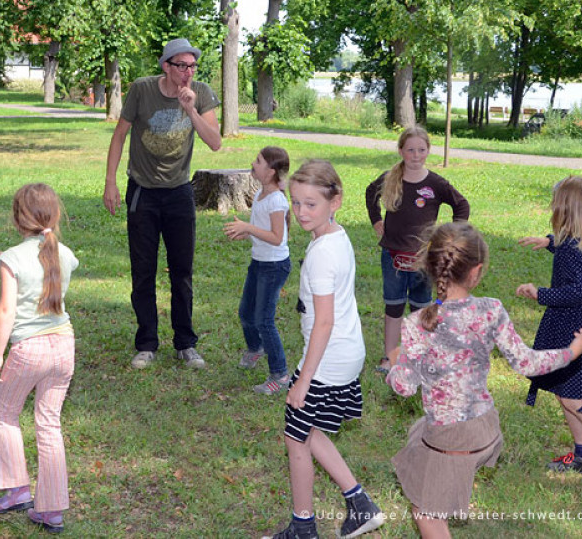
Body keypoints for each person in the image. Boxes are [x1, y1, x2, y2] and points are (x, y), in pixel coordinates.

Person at [387, 222, 582, 536]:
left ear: (431, 269)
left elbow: (403, 387)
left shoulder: (417, 323)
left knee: (428, 513)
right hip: (485, 430)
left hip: (451, 440)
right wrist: (573, 349)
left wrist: (396, 363)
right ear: (477, 271)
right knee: (421, 461)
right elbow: (528, 362)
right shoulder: (491, 310)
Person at [264, 160, 384, 539]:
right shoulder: (335, 236)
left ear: (335, 201)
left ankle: (303, 527)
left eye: (310, 204)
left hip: (328, 357)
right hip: (346, 351)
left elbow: (324, 322)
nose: (300, 212)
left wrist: (303, 380)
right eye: (296, 203)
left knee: (295, 436)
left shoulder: (320, 255)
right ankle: (360, 504)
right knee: (309, 429)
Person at [103, 38, 222, 369]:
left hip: (179, 192)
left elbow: (215, 142)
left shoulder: (201, 92)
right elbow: (119, 135)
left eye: (192, 66)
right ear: (166, 66)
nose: (187, 72)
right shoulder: (142, 90)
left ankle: (185, 343)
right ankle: (147, 344)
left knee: (182, 271)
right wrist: (111, 181)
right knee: (143, 271)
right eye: (181, 65)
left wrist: (190, 108)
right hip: (142, 190)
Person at [515, 176, 582, 497]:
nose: (552, 208)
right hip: (575, 325)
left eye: (556, 203)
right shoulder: (575, 243)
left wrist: (539, 293)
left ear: (567, 210)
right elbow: (568, 252)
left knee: (573, 397)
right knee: (562, 389)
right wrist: (548, 242)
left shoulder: (574, 251)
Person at [0, 184, 78, 534]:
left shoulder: (11, 258)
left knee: (4, 413)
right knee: (49, 423)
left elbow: (6, 309)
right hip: (64, 345)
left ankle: (17, 490)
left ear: (17, 218)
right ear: (54, 216)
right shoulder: (66, 253)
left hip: (28, 349)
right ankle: (52, 510)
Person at [365, 125, 469, 373]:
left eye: (421, 150)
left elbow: (461, 205)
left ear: (428, 151)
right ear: (401, 151)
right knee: (393, 305)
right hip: (392, 256)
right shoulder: (391, 178)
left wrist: (450, 237)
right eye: (410, 150)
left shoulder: (435, 183)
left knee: (420, 308)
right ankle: (390, 357)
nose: (415, 155)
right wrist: (376, 220)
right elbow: (371, 193)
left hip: (423, 258)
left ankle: (417, 356)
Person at [223, 146, 291, 394]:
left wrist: (248, 229)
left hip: (274, 267)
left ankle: (281, 375)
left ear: (271, 171)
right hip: (259, 262)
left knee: (264, 320)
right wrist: (246, 232)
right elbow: (262, 230)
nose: (253, 163)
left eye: (258, 161)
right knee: (245, 312)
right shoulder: (262, 193)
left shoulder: (276, 200)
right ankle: (255, 349)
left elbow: (276, 237)